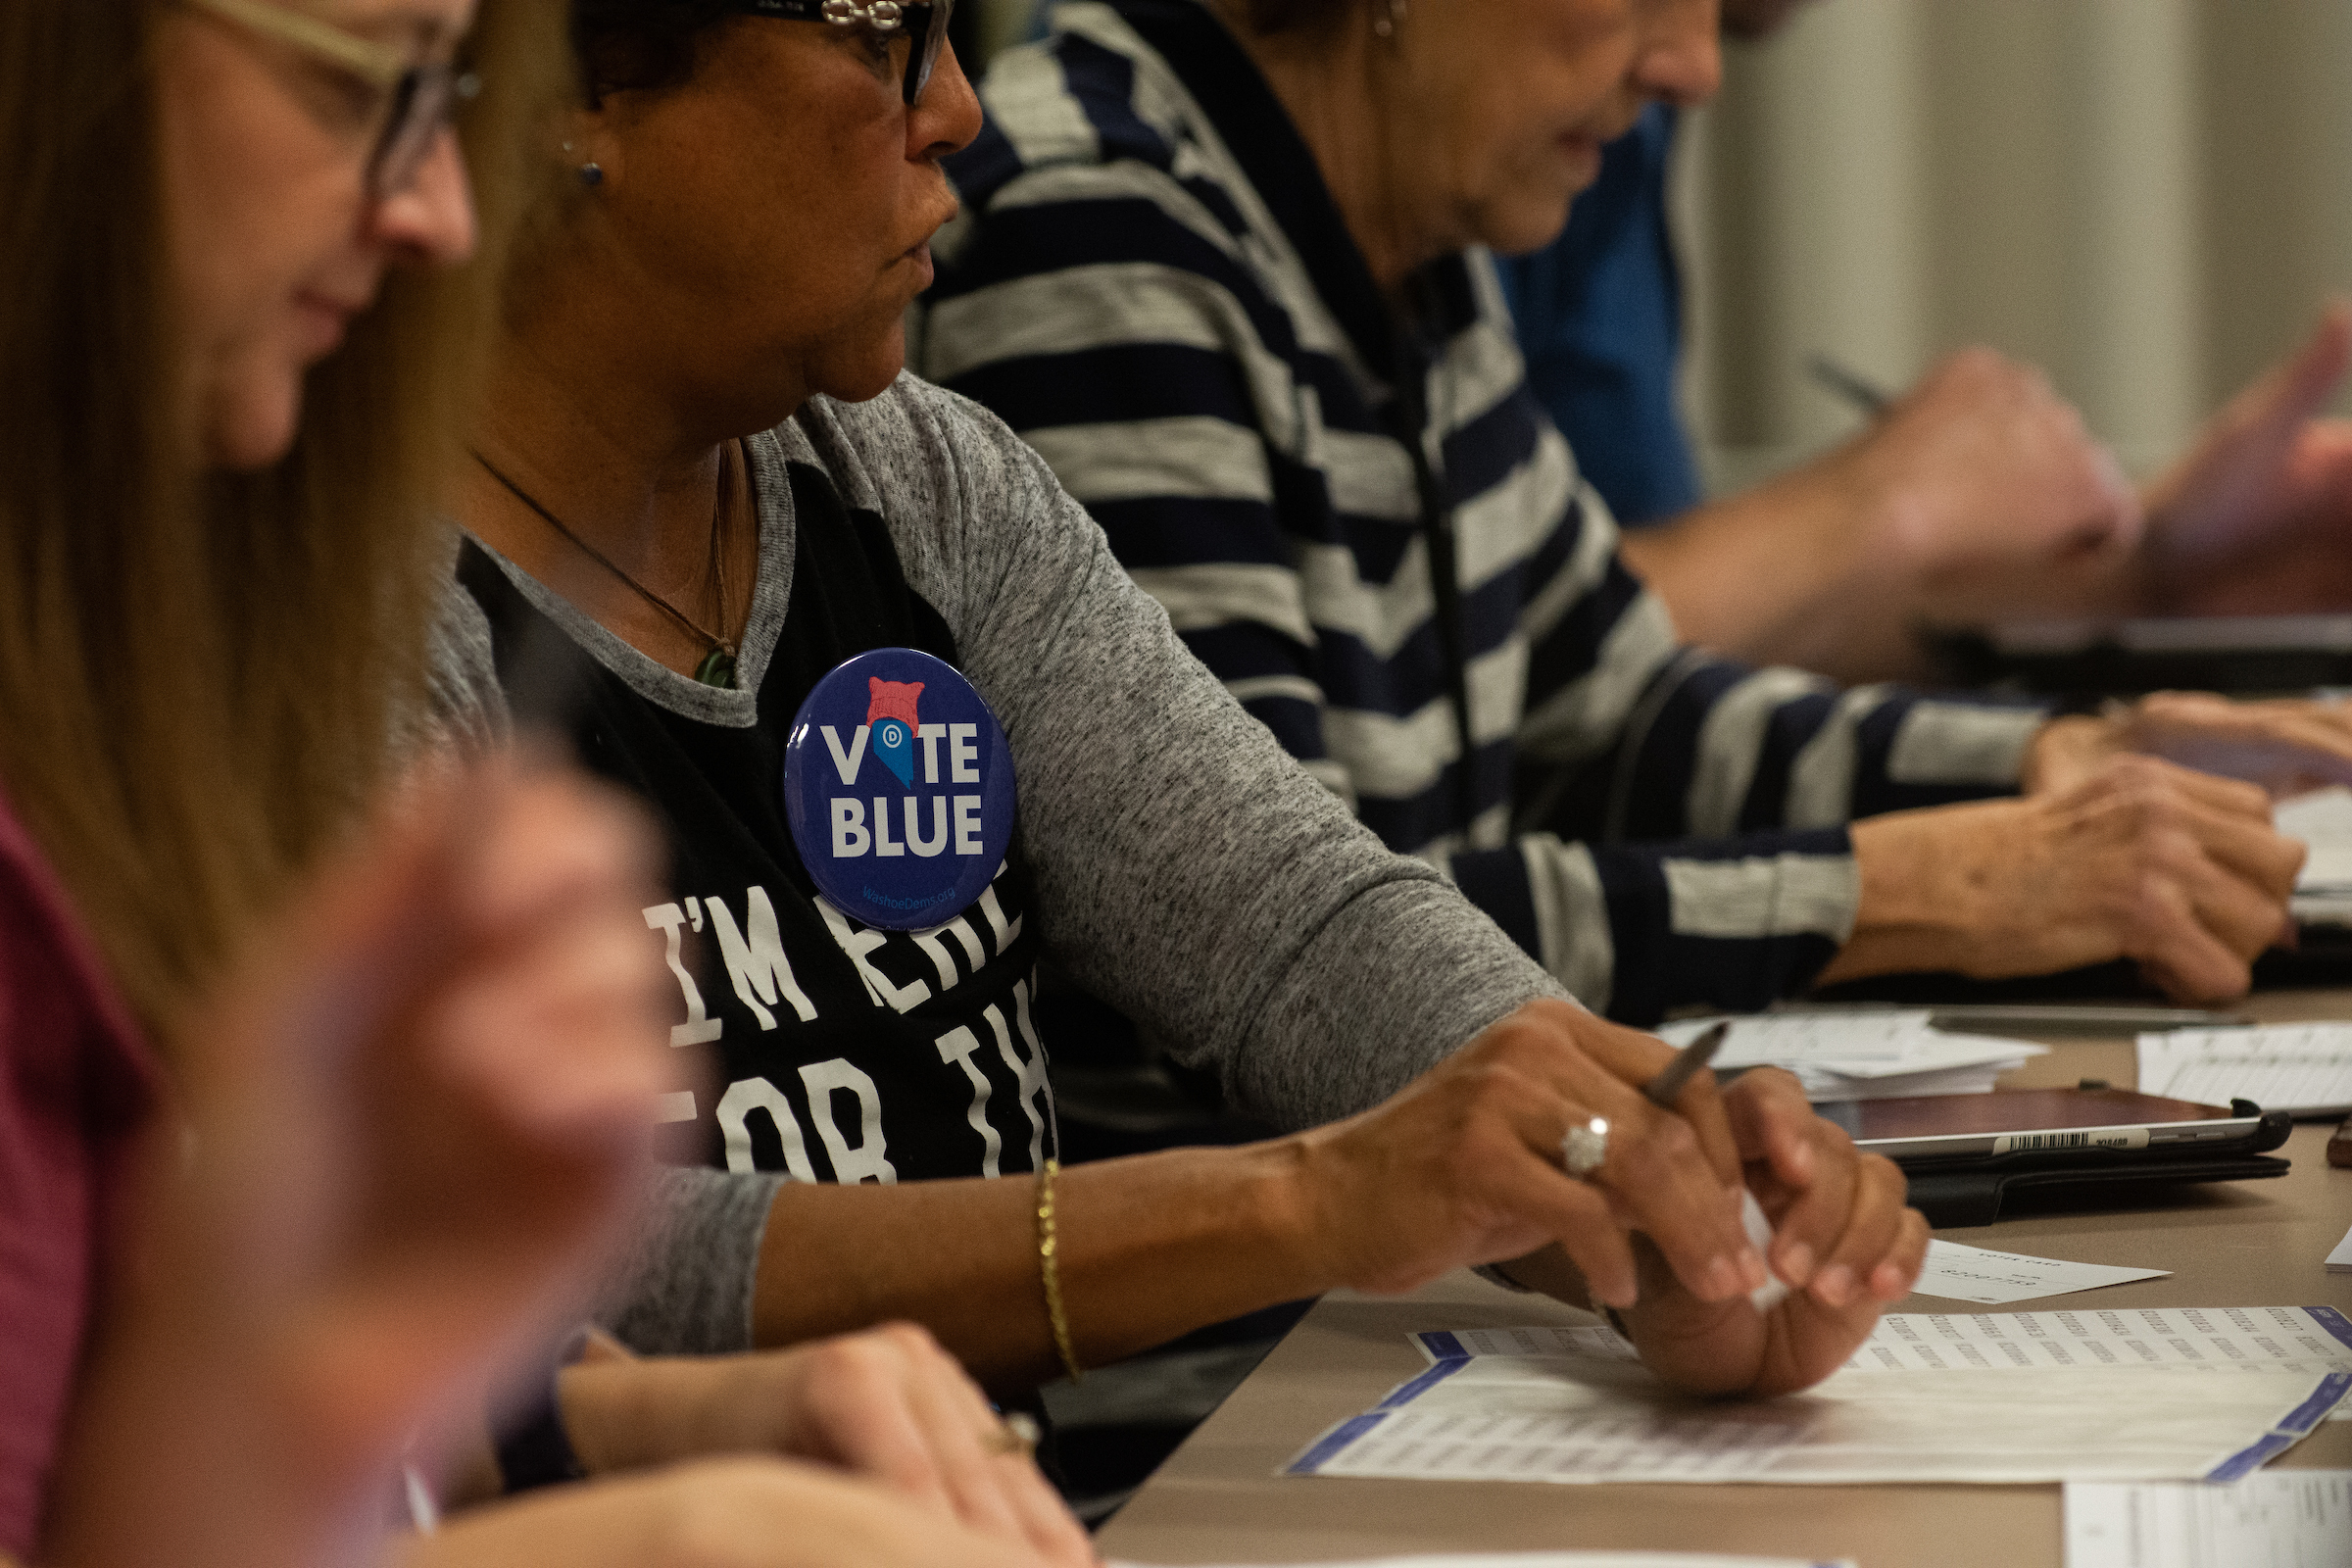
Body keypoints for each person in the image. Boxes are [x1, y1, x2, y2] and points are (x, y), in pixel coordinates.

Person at [434, 0, 1927, 1433]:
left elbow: (1292, 928)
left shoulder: (917, 478)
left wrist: (1636, 1200)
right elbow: (513, 1251)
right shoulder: (346, 612)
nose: (956, 106)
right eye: (885, 32)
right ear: (573, 85)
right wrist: (1308, 1201)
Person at [2, 3, 1075, 1566]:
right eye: (360, 83)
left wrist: (661, 1422)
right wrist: (674, 1534)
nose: (437, 204)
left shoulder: (115, 651)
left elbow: (161, 1405)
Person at [916, 0, 2345, 1030]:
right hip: (1228, 1366)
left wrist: (2055, 763)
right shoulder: (1096, 225)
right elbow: (1296, 938)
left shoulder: (1399, 223)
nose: (1694, 64)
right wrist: (1906, 889)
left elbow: (1614, 720)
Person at [1494, 0, 2352, 684]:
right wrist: (1874, 506)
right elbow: (1448, 697)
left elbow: (1641, 687)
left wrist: (2151, 575)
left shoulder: (1622, 102)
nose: (1697, 68)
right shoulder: (1507, 112)